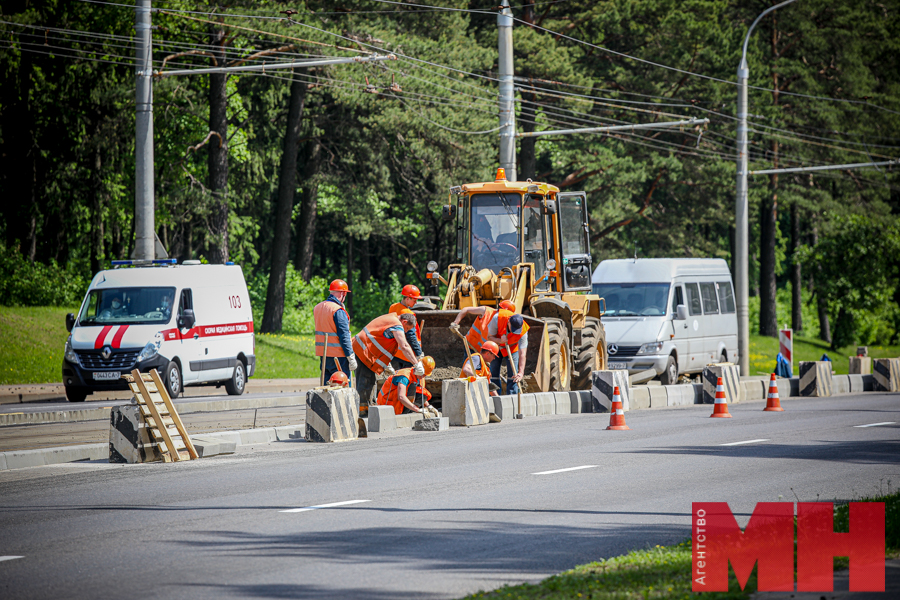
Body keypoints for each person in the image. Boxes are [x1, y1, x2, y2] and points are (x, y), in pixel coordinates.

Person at [450, 304, 529, 394]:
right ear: (508, 322)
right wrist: (501, 340)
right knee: (493, 374)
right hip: (493, 346)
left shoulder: (523, 331)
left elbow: (522, 353)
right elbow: (490, 337)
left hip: (511, 348)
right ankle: (494, 397)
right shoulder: (496, 318)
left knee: (514, 375)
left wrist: (521, 372)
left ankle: (512, 398)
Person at [353, 311, 422, 410]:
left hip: (366, 352)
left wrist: (386, 364)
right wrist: (416, 364)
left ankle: (369, 408)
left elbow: (381, 343)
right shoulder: (396, 324)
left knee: (371, 381)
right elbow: (404, 346)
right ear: (404, 322)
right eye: (407, 328)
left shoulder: (391, 320)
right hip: (363, 351)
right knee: (365, 381)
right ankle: (363, 411)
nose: (406, 332)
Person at [313, 279, 356, 385]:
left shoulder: (318, 307)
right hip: (338, 357)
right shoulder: (337, 310)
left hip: (324, 355)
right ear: (343, 293)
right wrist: (350, 356)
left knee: (326, 386)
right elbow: (344, 335)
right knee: (342, 386)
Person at [388, 284, 425, 369]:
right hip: (407, 355)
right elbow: (411, 336)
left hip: (395, 353)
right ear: (408, 298)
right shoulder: (408, 314)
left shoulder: (393, 307)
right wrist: (419, 353)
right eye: (414, 300)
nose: (416, 303)